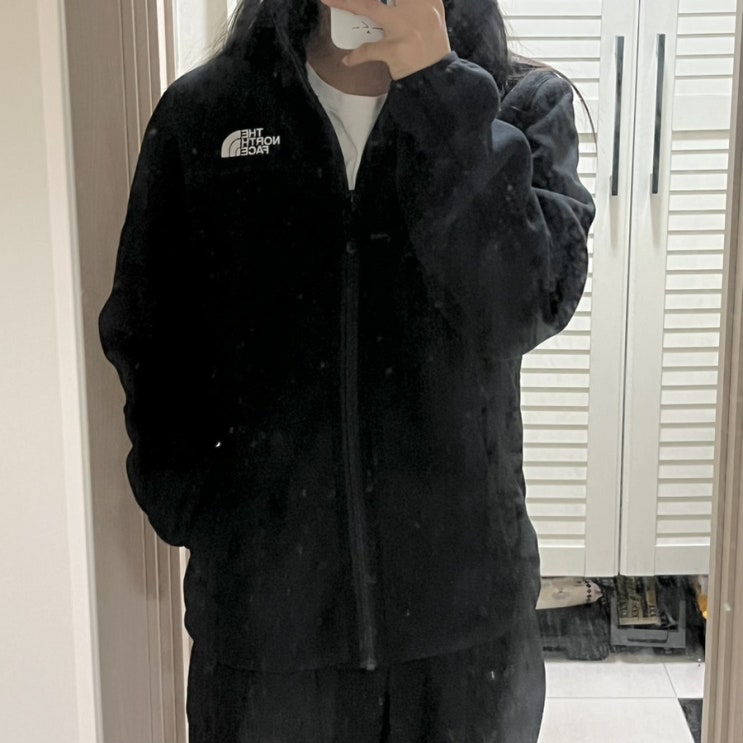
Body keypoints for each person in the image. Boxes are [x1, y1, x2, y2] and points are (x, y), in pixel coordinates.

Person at [99, 0, 595, 739]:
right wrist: (212, 516)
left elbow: (520, 305)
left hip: (464, 643)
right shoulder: (206, 115)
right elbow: (150, 331)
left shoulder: (516, 107)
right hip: (268, 642)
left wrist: (438, 90)